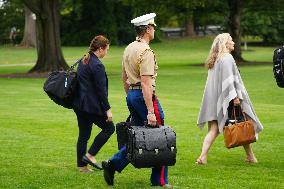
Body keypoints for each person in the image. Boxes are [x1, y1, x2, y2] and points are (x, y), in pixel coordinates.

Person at [102, 13, 172, 188]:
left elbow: (124, 77)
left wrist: (130, 97)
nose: (154, 30)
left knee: (137, 137)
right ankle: (159, 181)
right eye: (153, 27)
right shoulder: (146, 51)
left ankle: (113, 164)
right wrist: (150, 111)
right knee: (160, 136)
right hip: (143, 96)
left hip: (132, 95)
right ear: (148, 29)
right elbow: (147, 84)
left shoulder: (129, 48)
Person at [196, 33, 263, 165]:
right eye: (231, 40)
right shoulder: (227, 58)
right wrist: (235, 97)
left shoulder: (215, 59)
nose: (233, 42)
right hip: (228, 100)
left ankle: (203, 157)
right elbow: (229, 81)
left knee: (216, 129)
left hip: (214, 100)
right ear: (224, 43)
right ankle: (250, 156)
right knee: (242, 123)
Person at [73, 35, 115, 173]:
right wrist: (107, 110)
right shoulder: (97, 65)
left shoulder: (85, 59)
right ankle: (90, 156)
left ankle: (82, 167)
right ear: (100, 49)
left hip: (79, 105)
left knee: (84, 135)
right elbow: (101, 91)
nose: (106, 53)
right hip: (90, 106)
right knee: (109, 128)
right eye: (106, 49)